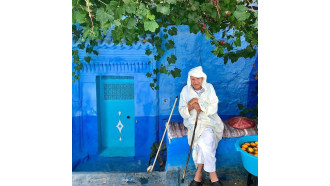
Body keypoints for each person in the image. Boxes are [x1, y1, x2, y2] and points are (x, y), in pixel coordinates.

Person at [178, 66, 224, 186]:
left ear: (203, 79)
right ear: (190, 80)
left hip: (209, 120)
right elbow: (182, 112)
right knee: (207, 139)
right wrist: (190, 106)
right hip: (193, 122)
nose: (196, 82)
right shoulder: (185, 90)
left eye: (198, 79)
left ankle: (198, 176)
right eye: (193, 79)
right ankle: (213, 176)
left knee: (205, 139)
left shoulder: (209, 88)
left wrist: (199, 103)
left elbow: (214, 107)